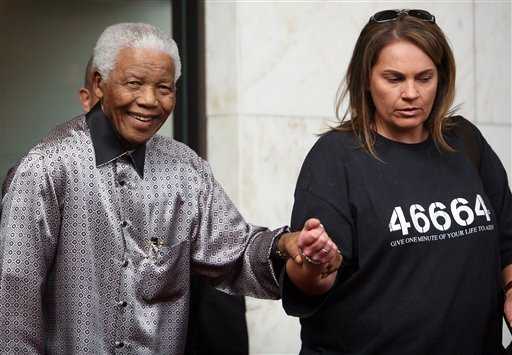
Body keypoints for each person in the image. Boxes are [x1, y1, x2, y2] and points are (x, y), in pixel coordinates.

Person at [0, 23, 342, 354]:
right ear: (99, 84)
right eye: (134, 83)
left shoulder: (186, 170)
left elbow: (234, 253)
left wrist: (285, 244)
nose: (150, 100)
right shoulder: (47, 167)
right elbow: (13, 302)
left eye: (164, 89)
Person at [284, 9, 512, 354]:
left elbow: (507, 245)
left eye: (424, 78)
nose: (411, 93)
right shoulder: (336, 158)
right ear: (366, 79)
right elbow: (310, 283)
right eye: (394, 79)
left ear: (442, 77)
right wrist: (315, 264)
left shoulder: (465, 142)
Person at [79, 55, 251, 355]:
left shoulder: (185, 179)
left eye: (161, 87)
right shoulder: (47, 177)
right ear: (91, 95)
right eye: (131, 84)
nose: (144, 101)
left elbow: (221, 297)